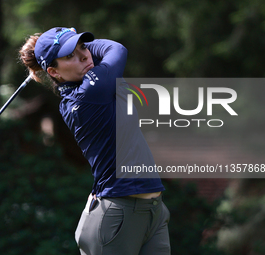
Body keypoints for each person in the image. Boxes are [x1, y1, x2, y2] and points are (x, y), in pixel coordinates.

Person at [19, 27, 170, 255]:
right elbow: (115, 49)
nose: (84, 55)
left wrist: (70, 42)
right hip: (117, 214)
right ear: (54, 72)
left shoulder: (94, 83)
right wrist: (72, 40)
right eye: (69, 55)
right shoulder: (88, 95)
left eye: (83, 47)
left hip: (153, 210)